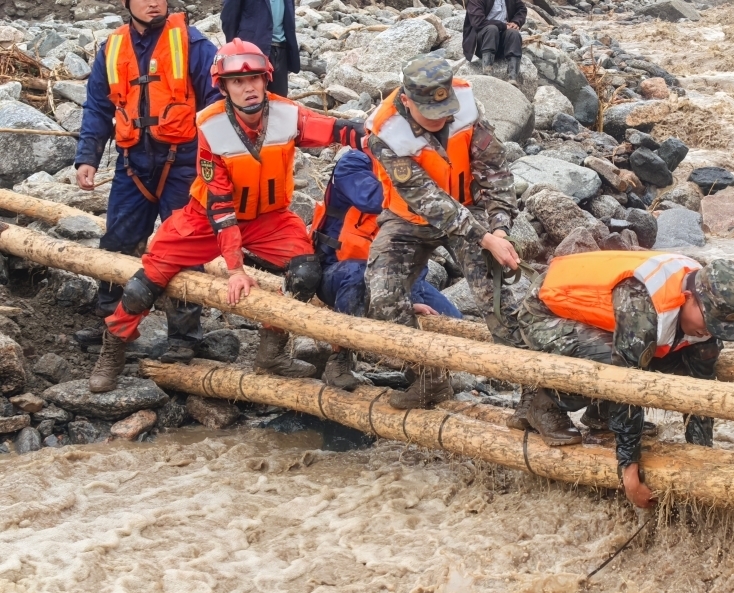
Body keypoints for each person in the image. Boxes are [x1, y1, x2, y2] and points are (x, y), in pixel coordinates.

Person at [88, 39, 365, 393]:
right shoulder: (210, 126)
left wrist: (373, 139)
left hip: (269, 218)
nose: (248, 88)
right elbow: (219, 206)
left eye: (254, 79)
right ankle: (113, 348)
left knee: (306, 272)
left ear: (266, 79)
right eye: (237, 81)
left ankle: (271, 351)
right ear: (223, 87)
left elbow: (338, 129)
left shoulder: (288, 114)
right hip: (204, 219)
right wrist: (235, 270)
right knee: (146, 282)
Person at [516, 250, 734, 508]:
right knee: (616, 361)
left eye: (718, 327)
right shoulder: (644, 304)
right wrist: (629, 470)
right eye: (709, 323)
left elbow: (699, 387)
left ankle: (600, 414)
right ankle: (545, 403)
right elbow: (626, 384)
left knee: (660, 357)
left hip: (605, 319)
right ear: (688, 298)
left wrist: (701, 458)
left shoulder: (705, 318)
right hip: (545, 311)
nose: (709, 332)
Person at [365, 55, 525, 409]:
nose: (440, 119)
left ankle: (536, 397)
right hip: (409, 219)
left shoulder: (466, 106)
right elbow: (426, 199)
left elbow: (495, 170)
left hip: (468, 207)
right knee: (383, 294)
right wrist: (484, 237)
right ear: (406, 101)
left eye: (445, 110)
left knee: (498, 297)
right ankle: (428, 378)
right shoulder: (385, 131)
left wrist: (499, 229)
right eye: (430, 114)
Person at [74, 0, 221, 362]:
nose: (153, 2)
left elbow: (217, 100)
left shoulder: (192, 43)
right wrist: (87, 157)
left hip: (183, 164)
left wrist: (218, 162)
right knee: (116, 243)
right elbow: (98, 107)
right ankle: (112, 325)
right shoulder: (112, 48)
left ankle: (184, 336)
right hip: (132, 164)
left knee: (183, 249)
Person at [310, 149, 463, 391]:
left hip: (392, 280)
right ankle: (340, 360)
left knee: (453, 322)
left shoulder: (417, 175)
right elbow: (371, 198)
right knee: (359, 275)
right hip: (339, 273)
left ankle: (423, 375)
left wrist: (408, 297)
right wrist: (422, 193)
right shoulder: (353, 164)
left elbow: (415, 254)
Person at [221, 0, 298, 97]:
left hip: (280, 49)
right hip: (250, 51)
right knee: (250, 97)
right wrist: (236, 48)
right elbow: (229, 18)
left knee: (278, 98)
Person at [462, 0, 526, 84]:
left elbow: (522, 9)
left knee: (514, 33)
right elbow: (478, 22)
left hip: (501, 43)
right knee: (492, 29)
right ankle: (487, 71)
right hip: (482, 44)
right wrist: (503, 25)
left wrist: (516, 22)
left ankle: (513, 77)